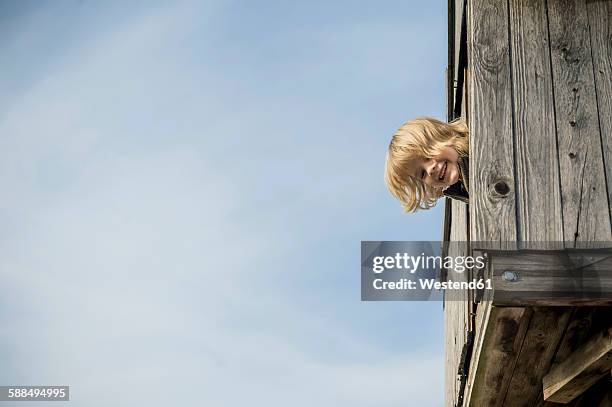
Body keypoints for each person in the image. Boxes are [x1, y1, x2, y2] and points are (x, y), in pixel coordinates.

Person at [384, 117, 469, 212]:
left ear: (442, 135)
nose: (429, 169)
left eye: (428, 156)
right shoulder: (462, 190)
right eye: (422, 174)